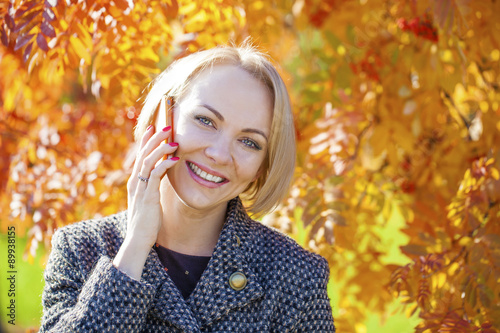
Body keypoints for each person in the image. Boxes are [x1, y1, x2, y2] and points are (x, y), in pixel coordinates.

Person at [40, 44, 335, 332]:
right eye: (205, 120)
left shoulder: (297, 278)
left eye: (249, 142)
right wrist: (134, 249)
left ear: (262, 167)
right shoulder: (80, 249)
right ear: (162, 117)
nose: (219, 154)